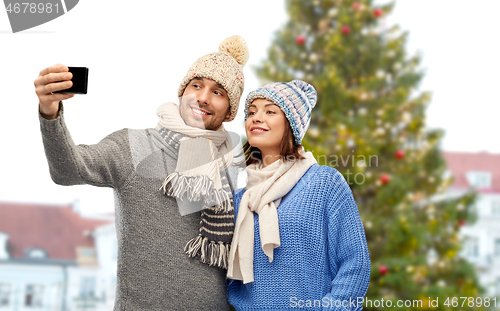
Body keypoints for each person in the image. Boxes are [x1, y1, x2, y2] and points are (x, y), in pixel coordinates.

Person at [34, 35, 249, 311]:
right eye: (197, 85)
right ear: (183, 91)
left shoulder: (232, 161)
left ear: (230, 111)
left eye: (218, 92)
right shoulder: (133, 145)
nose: (203, 98)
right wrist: (49, 112)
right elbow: (67, 170)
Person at [226, 80, 371, 310]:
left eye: (270, 111)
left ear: (291, 124)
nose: (255, 117)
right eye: (251, 112)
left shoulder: (325, 183)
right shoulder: (240, 199)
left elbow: (355, 265)